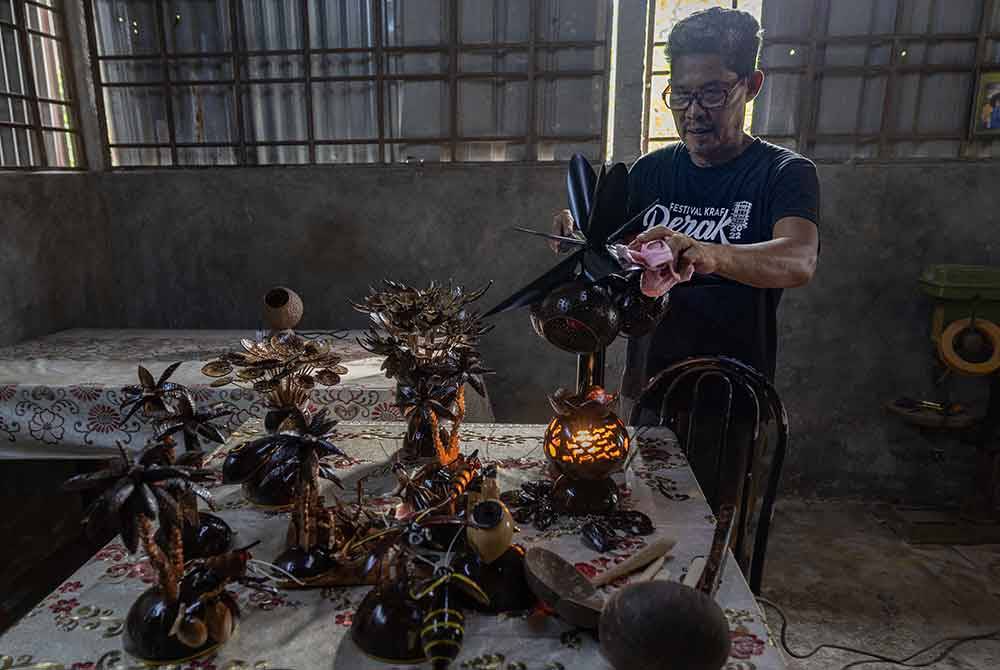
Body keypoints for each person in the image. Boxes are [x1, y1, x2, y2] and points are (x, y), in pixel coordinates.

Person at [552, 7, 819, 420]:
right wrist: (582, 240)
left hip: (732, 394)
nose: (693, 112)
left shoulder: (783, 172)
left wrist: (709, 253)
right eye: (680, 94)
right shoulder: (651, 171)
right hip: (647, 389)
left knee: (714, 488)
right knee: (634, 485)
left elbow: (799, 259)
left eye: (712, 93)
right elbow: (612, 261)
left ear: (751, 86)